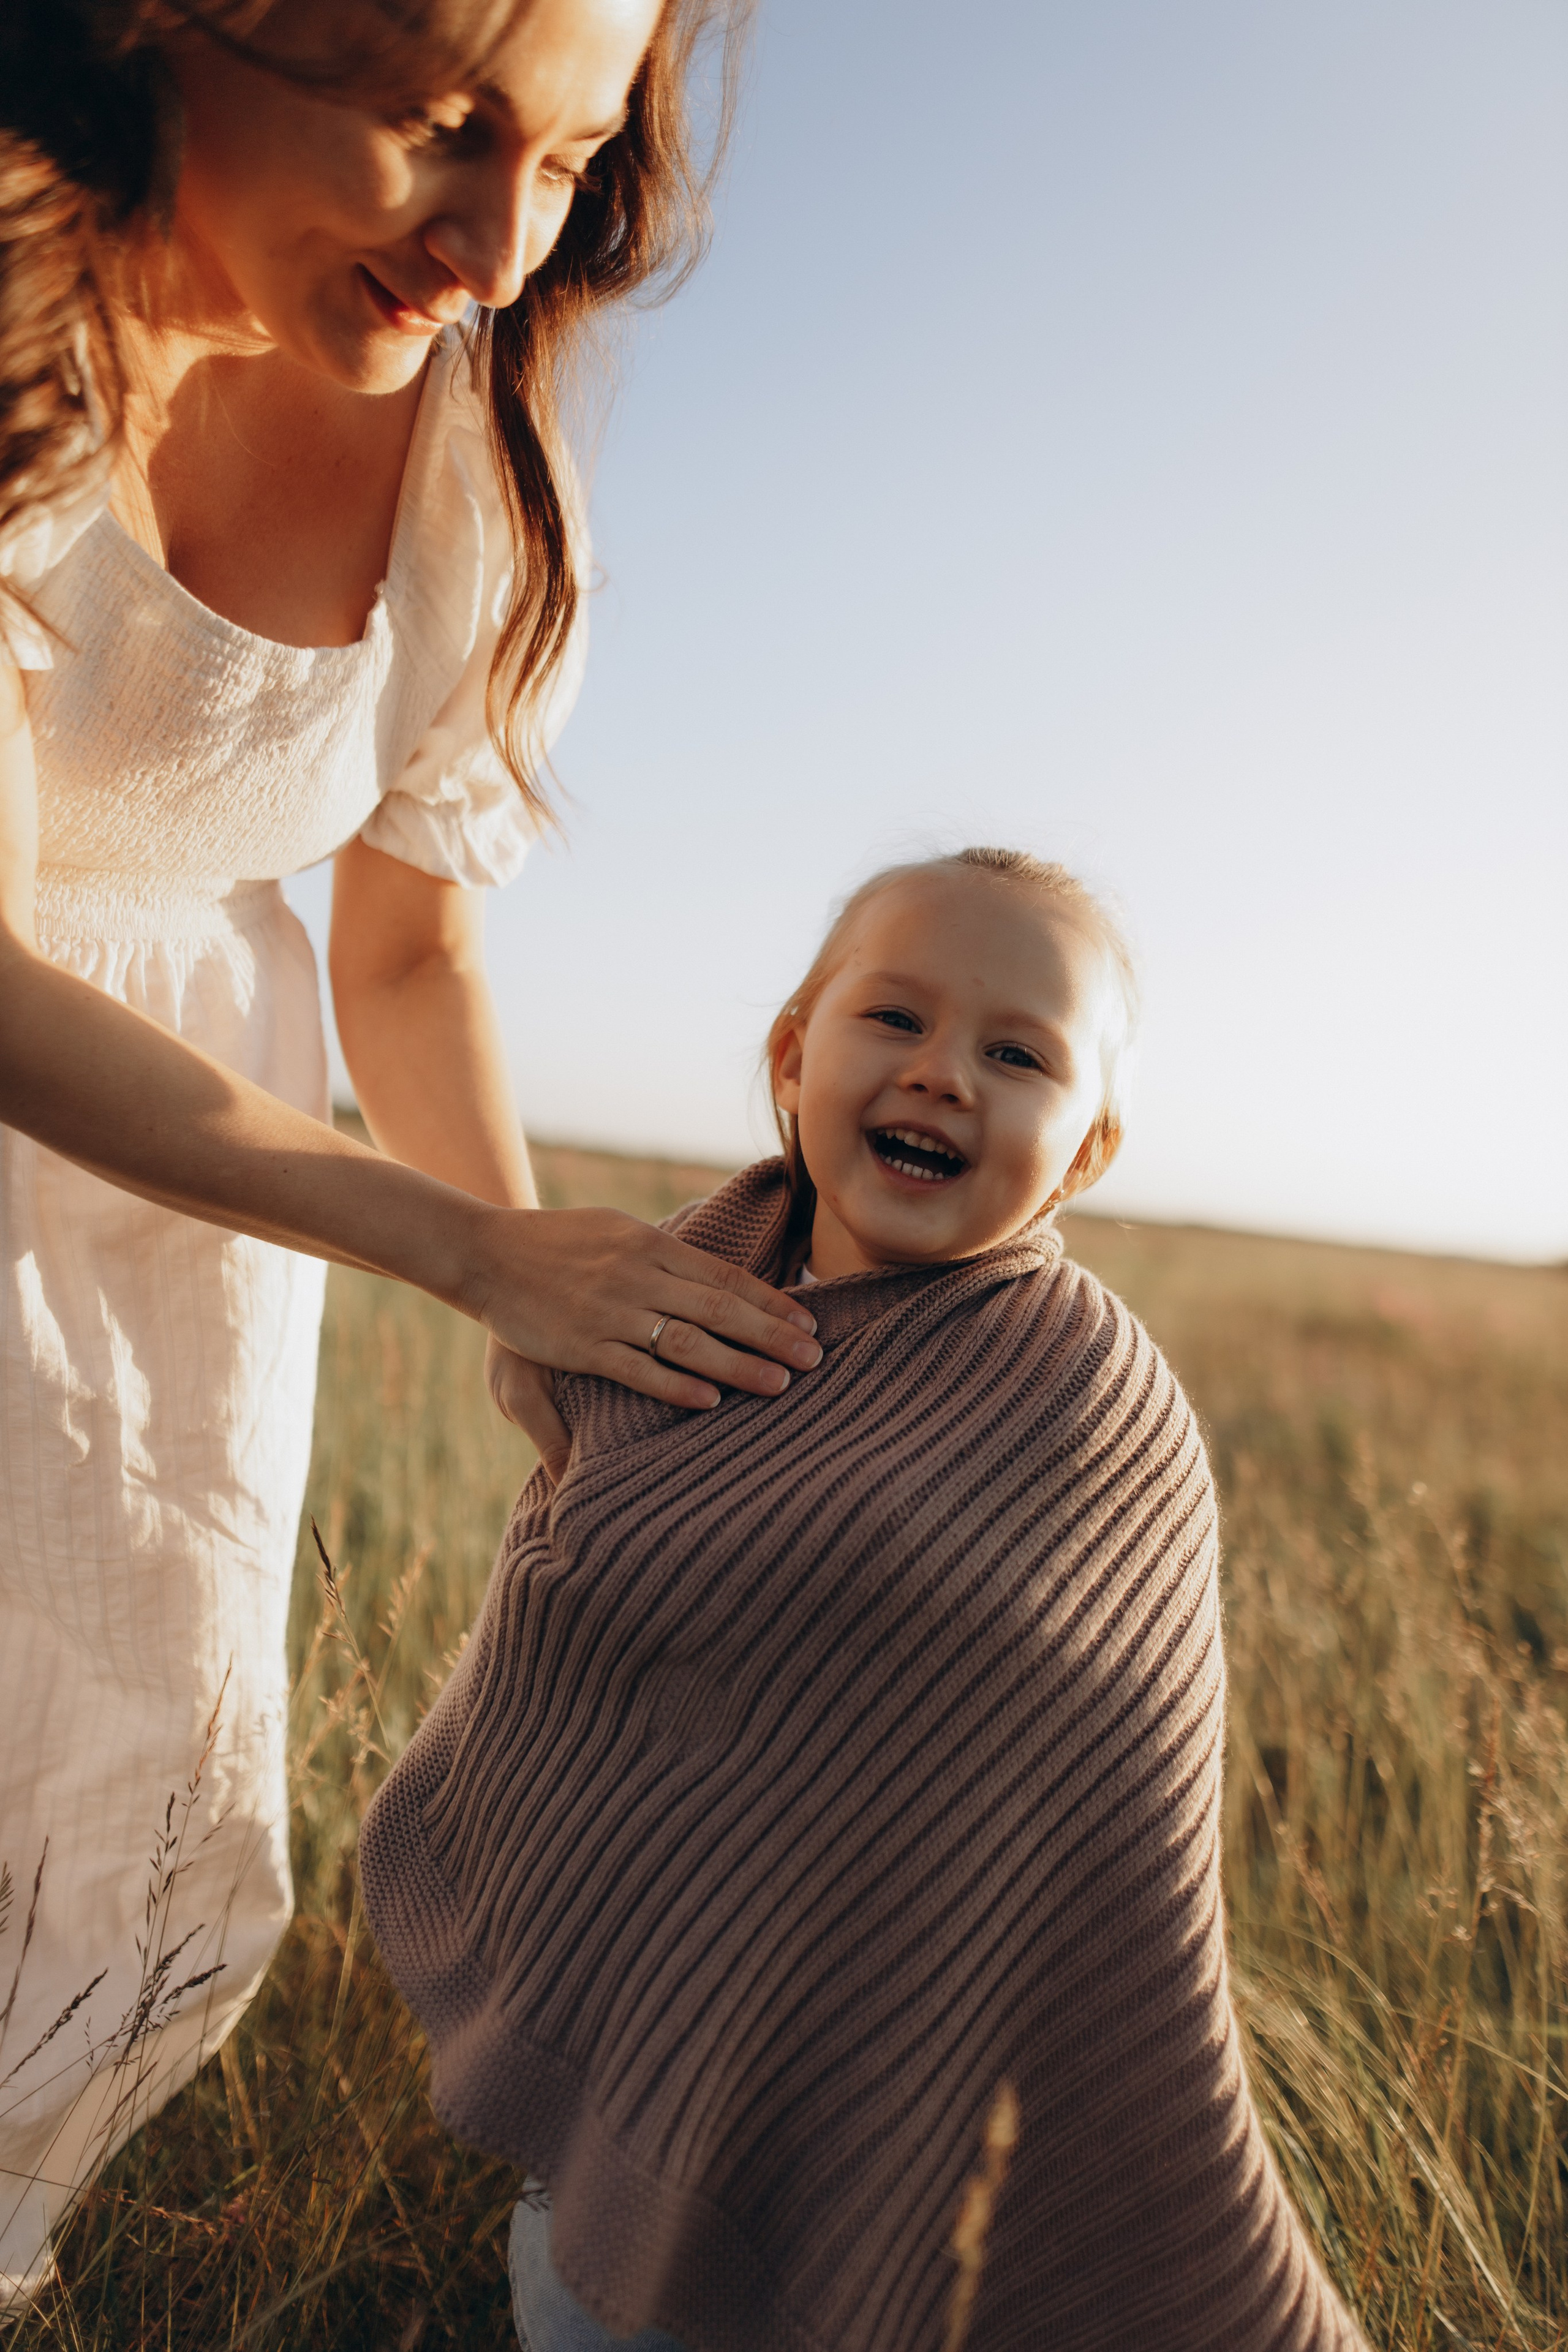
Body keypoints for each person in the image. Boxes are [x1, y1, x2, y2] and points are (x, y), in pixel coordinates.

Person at [0, 0, 823, 2309]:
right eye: (437, 124)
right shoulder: (14, 327)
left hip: (192, 1225)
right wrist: (460, 1253)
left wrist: (557, 1279)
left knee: (118, 1800)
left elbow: (410, 954)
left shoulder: (471, 430)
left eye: (559, 162)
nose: (495, 235)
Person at [361, 848, 1370, 2352]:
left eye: (1014, 1054)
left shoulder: (1085, 1400)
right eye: (892, 1020)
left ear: (1084, 1149)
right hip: (612, 2132)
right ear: (792, 1052)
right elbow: (594, 1613)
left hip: (889, 2109)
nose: (942, 1075)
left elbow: (1093, 1808)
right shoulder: (666, 1290)